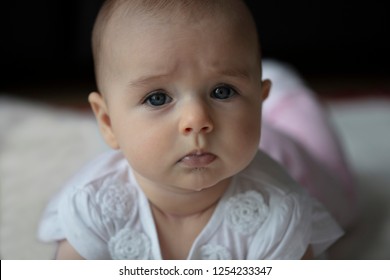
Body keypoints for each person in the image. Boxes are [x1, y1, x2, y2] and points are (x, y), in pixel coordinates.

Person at [38, 0, 354, 260]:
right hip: (243, 138)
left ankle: (286, 94)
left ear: (258, 103)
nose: (197, 119)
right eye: (157, 98)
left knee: (338, 185)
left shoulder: (281, 210)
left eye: (222, 91)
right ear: (108, 123)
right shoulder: (93, 204)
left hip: (298, 163)